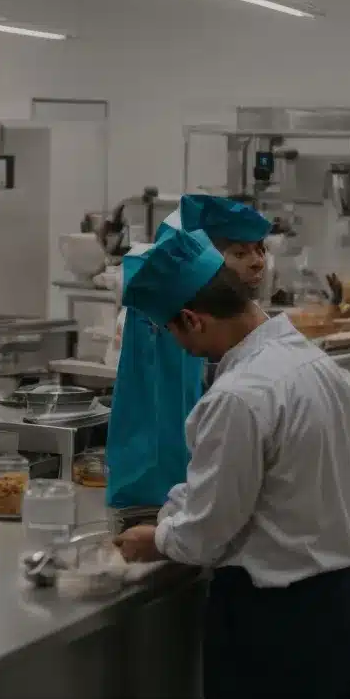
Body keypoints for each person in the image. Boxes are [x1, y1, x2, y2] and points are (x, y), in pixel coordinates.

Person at [112, 228, 350, 699]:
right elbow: (245, 480)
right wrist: (176, 510)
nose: (182, 350)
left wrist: (157, 538)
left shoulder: (240, 396)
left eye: (173, 334)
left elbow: (210, 530)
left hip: (272, 626)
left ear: (192, 319)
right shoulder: (313, 363)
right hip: (336, 609)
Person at [105, 193, 273, 532]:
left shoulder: (251, 340)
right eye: (239, 252)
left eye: (260, 250)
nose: (257, 262)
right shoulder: (158, 328)